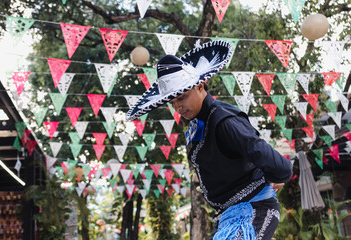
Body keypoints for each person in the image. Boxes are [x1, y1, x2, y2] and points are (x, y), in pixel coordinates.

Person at [126, 40, 293, 240]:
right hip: (227, 216)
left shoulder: (223, 121)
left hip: (253, 211)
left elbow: (281, 167)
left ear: (200, 85)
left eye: (182, 97)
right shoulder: (201, 121)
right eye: (173, 102)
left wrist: (274, 176)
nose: (178, 107)